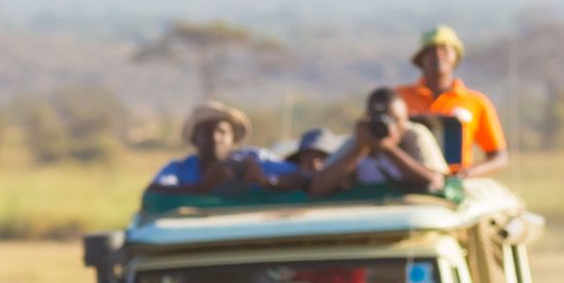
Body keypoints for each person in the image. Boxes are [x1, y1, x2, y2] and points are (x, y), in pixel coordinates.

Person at [392, 29, 509, 178]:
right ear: (421, 59)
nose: (438, 56)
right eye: (431, 51)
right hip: (407, 179)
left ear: (456, 56)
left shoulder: (476, 102)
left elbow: (499, 157)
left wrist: (469, 172)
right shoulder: (398, 98)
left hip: (456, 181)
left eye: (445, 50)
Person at [306, 88, 452, 194]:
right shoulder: (361, 139)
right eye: (379, 118)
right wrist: (359, 149)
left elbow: (435, 181)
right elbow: (318, 188)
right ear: (368, 117)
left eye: (395, 119)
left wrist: (389, 149)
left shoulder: (415, 134)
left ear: (406, 118)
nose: (386, 125)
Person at [143, 101, 288, 201]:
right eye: (206, 132)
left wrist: (266, 180)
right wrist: (202, 187)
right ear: (195, 139)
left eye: (222, 131)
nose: (215, 138)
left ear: (233, 137)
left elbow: (302, 176)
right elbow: (153, 192)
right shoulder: (180, 169)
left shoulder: (256, 159)